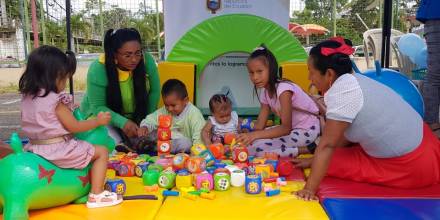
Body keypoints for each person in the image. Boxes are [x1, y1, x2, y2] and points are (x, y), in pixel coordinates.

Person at [295, 37, 440, 201]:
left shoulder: (342, 92)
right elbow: (339, 136)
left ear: (329, 74)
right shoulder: (355, 79)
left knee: (329, 163)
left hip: (411, 166)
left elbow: (328, 145)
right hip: (426, 144)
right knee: (325, 159)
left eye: (311, 72)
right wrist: (315, 158)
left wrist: (309, 189)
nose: (309, 78)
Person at [19, 45, 122, 208]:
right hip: (58, 149)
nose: (65, 83)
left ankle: (80, 190)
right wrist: (98, 121)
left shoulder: (27, 97)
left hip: (34, 148)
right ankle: (96, 194)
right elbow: (75, 126)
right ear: (54, 76)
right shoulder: (55, 101)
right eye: (65, 78)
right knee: (101, 152)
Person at [80, 28, 160, 150]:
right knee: (115, 145)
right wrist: (123, 123)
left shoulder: (146, 60)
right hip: (102, 118)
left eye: (138, 53)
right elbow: (98, 107)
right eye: (127, 55)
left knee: (158, 138)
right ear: (114, 54)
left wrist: (146, 122)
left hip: (135, 117)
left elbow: (155, 91)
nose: (134, 59)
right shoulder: (98, 69)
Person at [236, 46, 320, 157]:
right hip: (293, 130)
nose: (255, 77)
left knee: (259, 151)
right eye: (251, 73)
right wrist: (245, 130)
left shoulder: (283, 89)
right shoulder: (265, 93)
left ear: (271, 69)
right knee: (252, 143)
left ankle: (306, 149)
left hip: (307, 130)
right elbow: (260, 126)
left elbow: (285, 128)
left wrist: (254, 135)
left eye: (259, 71)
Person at [138, 79, 205, 153]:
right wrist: (145, 126)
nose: (169, 109)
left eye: (173, 105)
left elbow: (199, 136)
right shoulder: (165, 110)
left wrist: (196, 153)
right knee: (153, 131)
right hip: (163, 138)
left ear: (185, 100)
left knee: (186, 143)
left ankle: (154, 147)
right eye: (166, 105)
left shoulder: (194, 114)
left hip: (177, 142)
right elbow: (152, 118)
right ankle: (142, 142)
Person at [416, 0, 440, 137]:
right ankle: (431, 122)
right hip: (436, 16)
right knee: (435, 75)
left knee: (434, 75)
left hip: (434, 15)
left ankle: (431, 122)